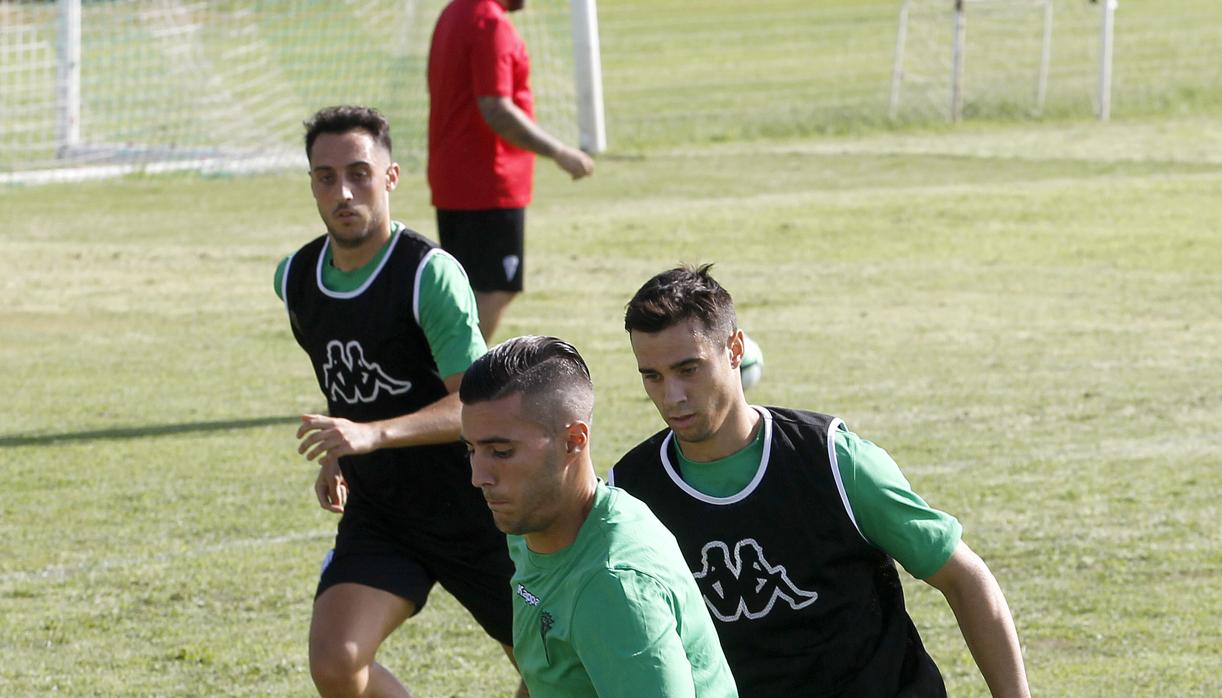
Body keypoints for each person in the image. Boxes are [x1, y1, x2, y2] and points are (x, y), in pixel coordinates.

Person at [609, 265, 1031, 698]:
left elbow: (965, 579)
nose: (671, 396)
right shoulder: (631, 492)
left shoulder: (833, 461)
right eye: (652, 376)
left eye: (688, 369)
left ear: (735, 349)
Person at [274, 105, 523, 698]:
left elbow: (475, 406)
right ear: (311, 183)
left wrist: (372, 435)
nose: (343, 191)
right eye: (326, 176)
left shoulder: (426, 276)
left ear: (390, 177)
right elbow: (349, 386)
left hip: (474, 505)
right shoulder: (296, 278)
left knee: (556, 670)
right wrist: (341, 451)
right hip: (382, 510)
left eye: (360, 173)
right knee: (337, 663)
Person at [459, 336, 738, 698]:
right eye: (471, 449)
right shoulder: (533, 522)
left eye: (501, 452)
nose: (478, 476)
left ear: (574, 440)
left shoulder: (614, 589)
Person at [428, 0, 595, 343]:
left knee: (468, 288)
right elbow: (496, 108)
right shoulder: (490, 24)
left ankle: (449, 380)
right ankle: (457, 383)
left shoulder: (453, 13)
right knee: (494, 289)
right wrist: (558, 151)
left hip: (455, 176)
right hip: (488, 180)